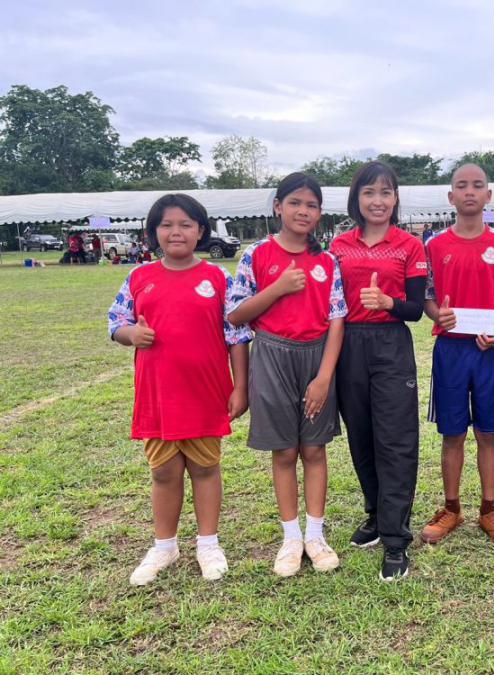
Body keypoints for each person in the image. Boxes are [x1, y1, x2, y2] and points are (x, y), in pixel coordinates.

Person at [107, 193, 250, 586]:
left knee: (205, 468)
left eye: (186, 224)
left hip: (205, 393)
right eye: (167, 225)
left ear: (200, 231)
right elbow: (115, 322)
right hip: (158, 396)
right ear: (154, 232)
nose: (176, 232)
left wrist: (241, 386)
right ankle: (164, 546)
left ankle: (208, 544)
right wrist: (130, 334)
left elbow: (237, 335)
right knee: (164, 472)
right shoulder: (139, 278)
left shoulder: (218, 278)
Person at [228, 173, 347, 577]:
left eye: (311, 205)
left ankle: (316, 535)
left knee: (314, 449)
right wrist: (277, 288)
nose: (303, 211)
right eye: (295, 202)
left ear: (320, 213)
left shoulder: (326, 261)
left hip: (316, 358)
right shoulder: (256, 255)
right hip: (272, 356)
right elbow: (236, 314)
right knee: (284, 451)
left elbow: (336, 320)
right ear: (278, 206)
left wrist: (324, 377)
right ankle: (291, 537)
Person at [330, 161, 426, 581]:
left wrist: (389, 304)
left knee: (395, 439)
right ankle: (374, 512)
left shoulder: (409, 245)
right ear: (357, 199)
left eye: (386, 192)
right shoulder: (338, 246)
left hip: (390, 345)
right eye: (369, 192)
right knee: (361, 434)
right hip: (348, 344)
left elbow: (416, 309)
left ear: (395, 198)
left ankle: (395, 537)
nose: (378, 200)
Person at [421, 163, 494, 546]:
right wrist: (437, 315)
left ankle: (489, 510)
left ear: (488, 195)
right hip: (451, 350)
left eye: (477, 185)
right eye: (462, 186)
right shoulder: (434, 245)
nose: (470, 192)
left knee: (488, 432)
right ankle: (452, 508)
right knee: (452, 433)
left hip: (489, 351)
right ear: (451, 196)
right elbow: (428, 296)